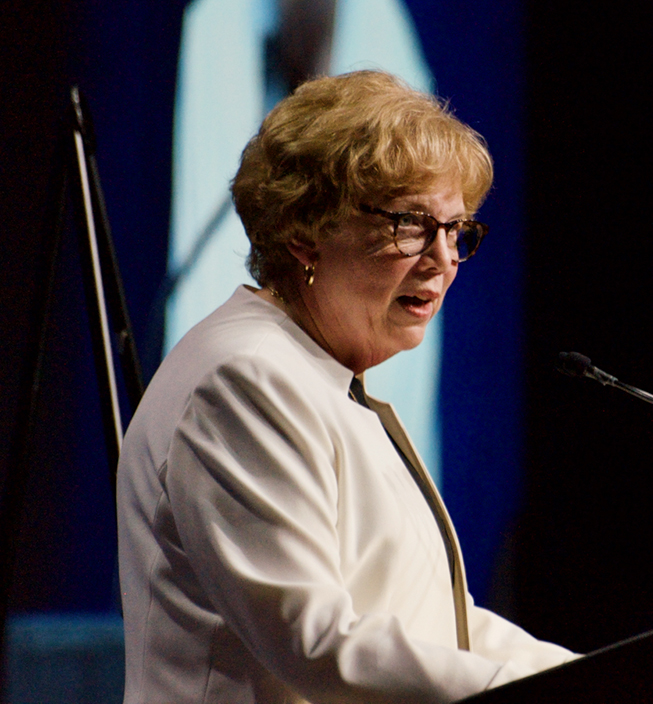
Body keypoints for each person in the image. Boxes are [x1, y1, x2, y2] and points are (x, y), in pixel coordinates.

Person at [116, 70, 576, 704]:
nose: (442, 260)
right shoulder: (244, 379)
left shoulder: (322, 377)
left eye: (456, 230)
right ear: (304, 234)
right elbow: (316, 641)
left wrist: (606, 674)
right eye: (410, 225)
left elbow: (442, 624)